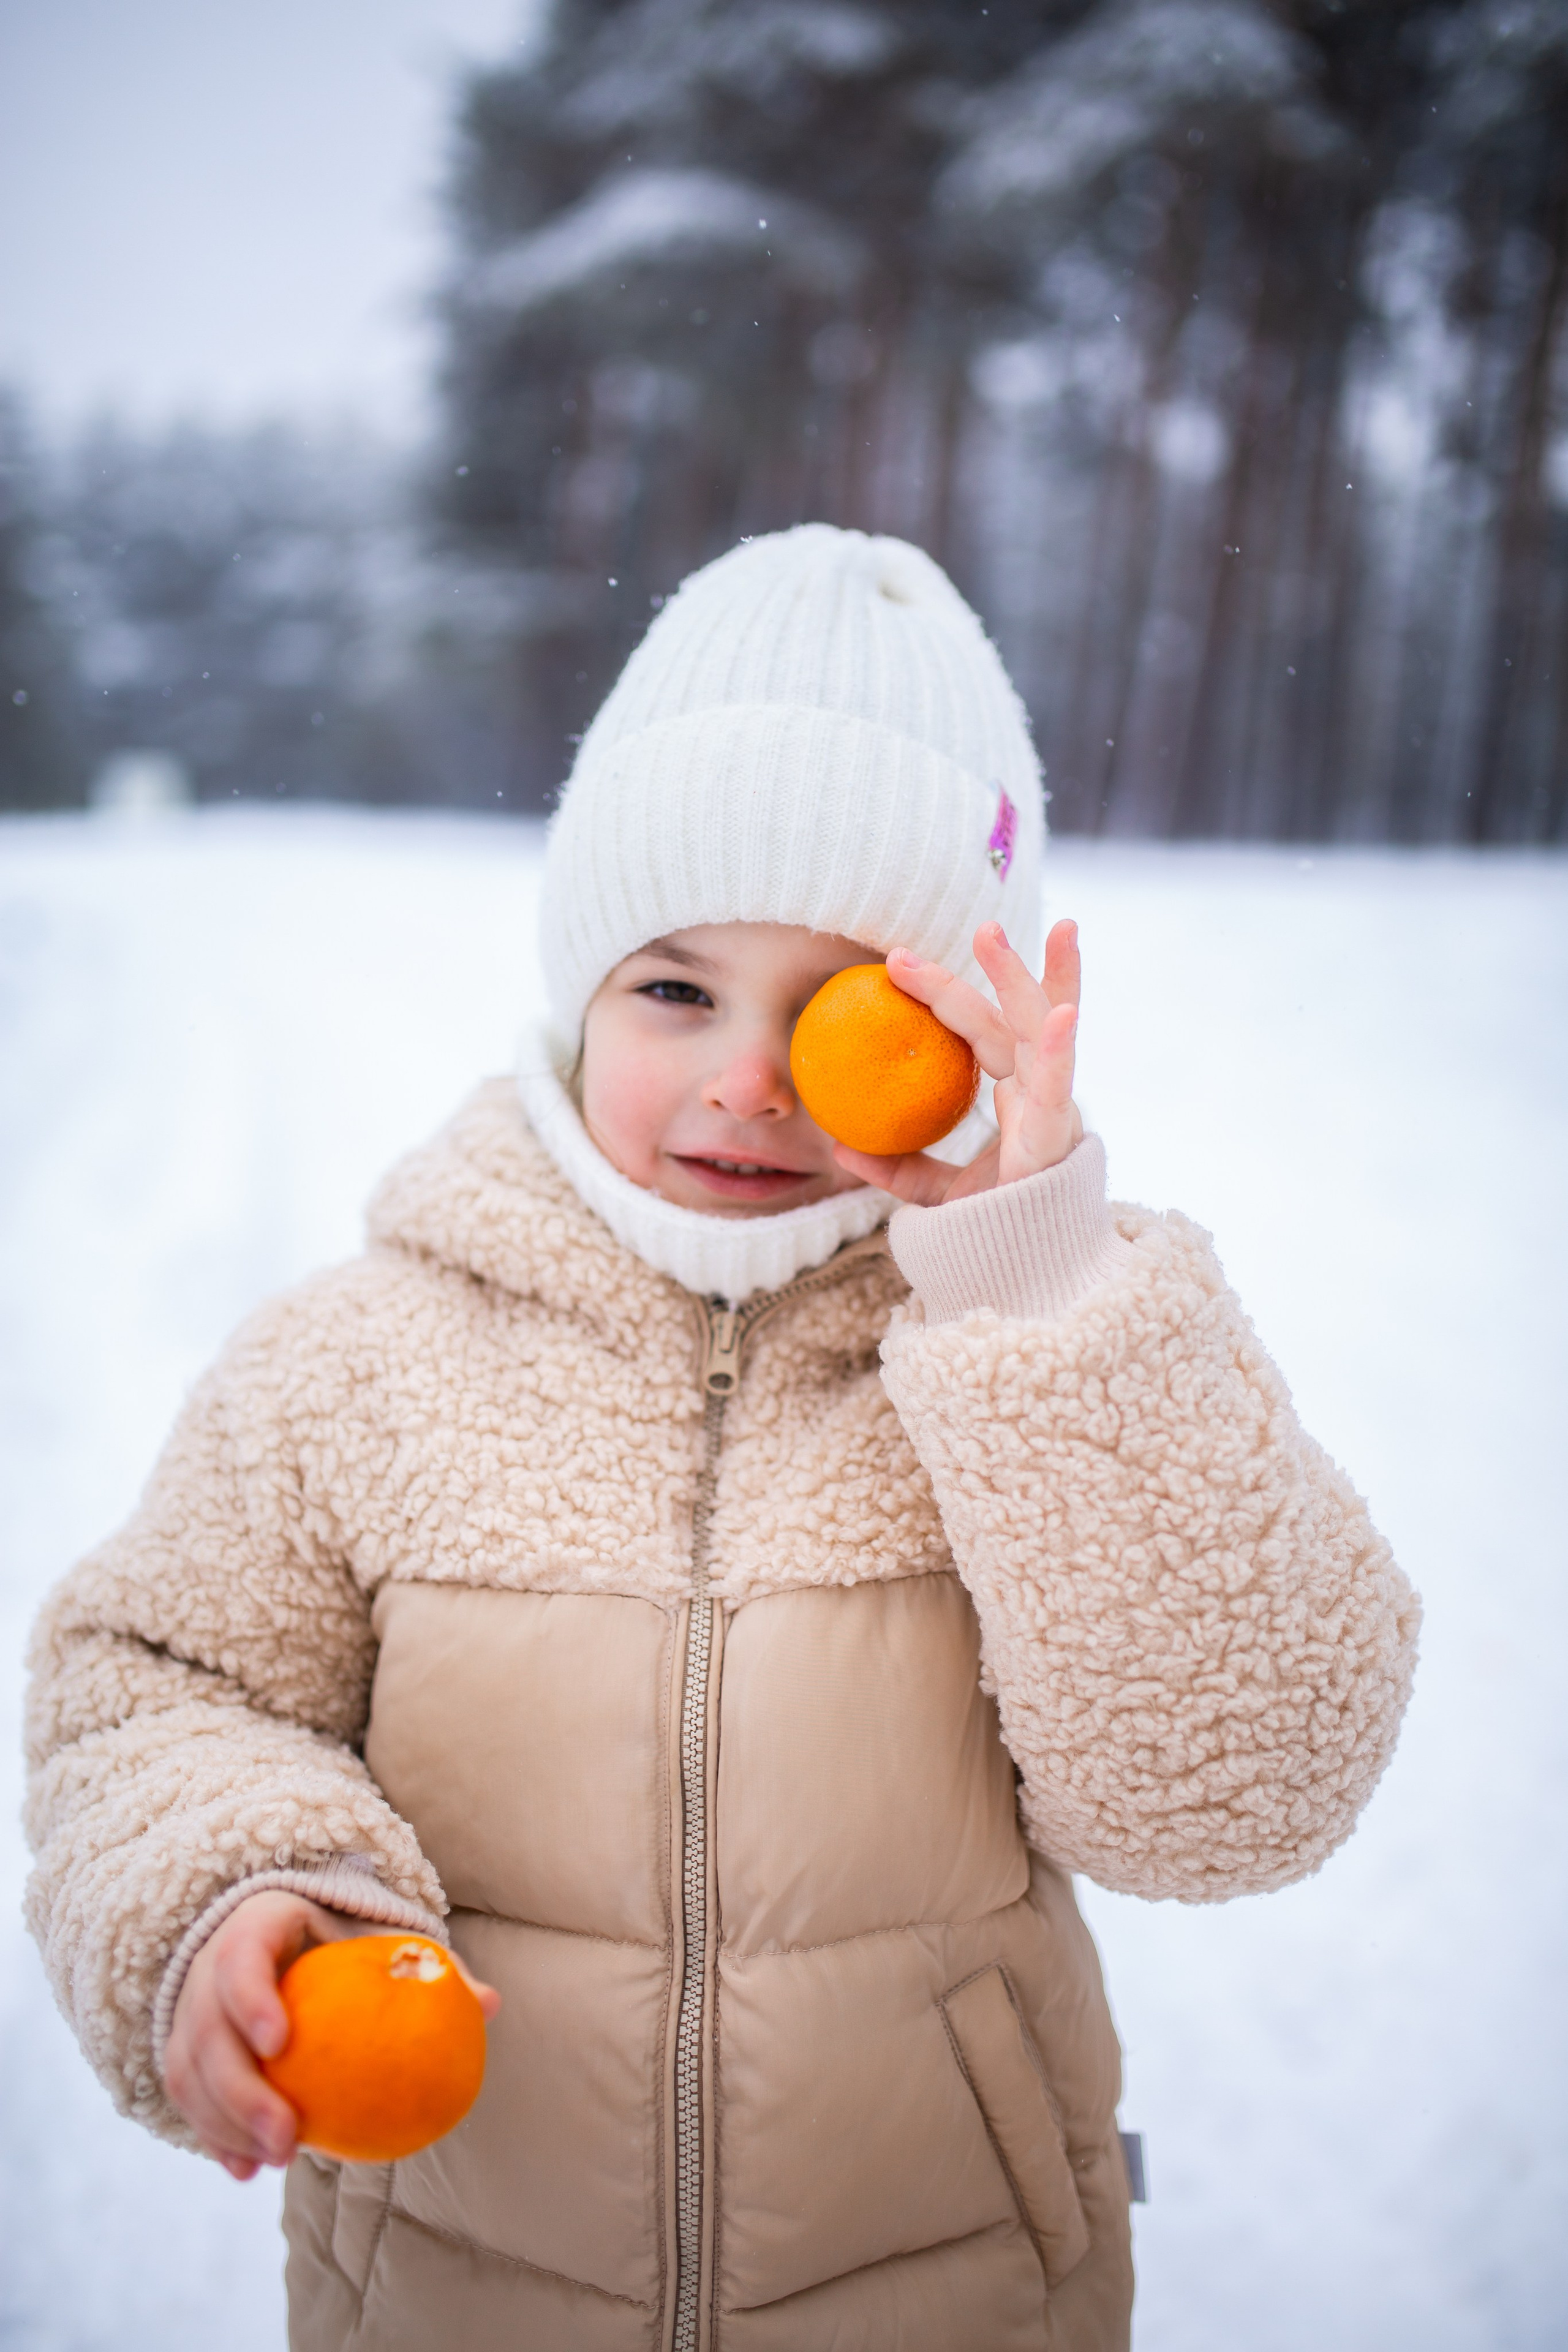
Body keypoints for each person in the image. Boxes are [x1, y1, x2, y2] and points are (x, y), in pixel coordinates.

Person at [24, 524, 1420, 2352]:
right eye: (674, 989)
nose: (747, 1079)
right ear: (577, 987)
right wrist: (237, 1879)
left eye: (846, 1009)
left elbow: (1242, 1791)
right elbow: (155, 1687)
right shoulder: (358, 1363)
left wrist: (1034, 1286)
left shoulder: (1032, 1359)